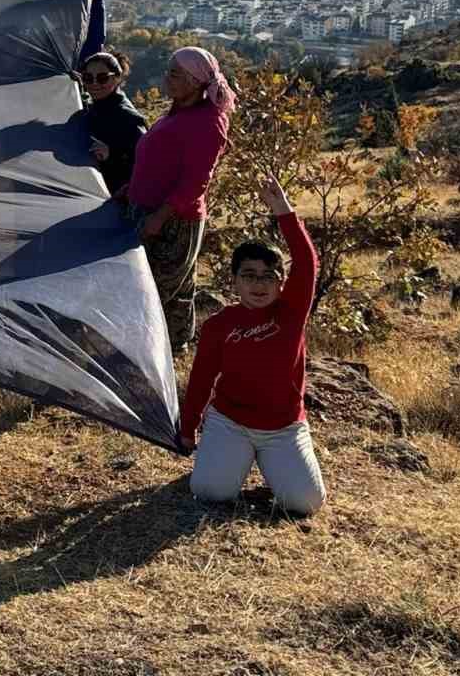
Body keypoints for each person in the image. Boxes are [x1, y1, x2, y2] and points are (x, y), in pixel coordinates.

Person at [180, 177, 325, 516]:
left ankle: (270, 463)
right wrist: (188, 430)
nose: (259, 284)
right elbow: (201, 380)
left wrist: (284, 212)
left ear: (281, 283)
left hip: (284, 429)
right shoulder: (219, 326)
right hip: (231, 422)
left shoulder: (291, 312)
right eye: (249, 275)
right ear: (234, 281)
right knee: (209, 492)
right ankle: (229, 459)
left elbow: (307, 263)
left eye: (268, 276)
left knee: (305, 503)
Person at [125, 46, 232, 351]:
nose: (167, 78)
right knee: (179, 290)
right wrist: (127, 192)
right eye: (168, 70)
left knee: (153, 289)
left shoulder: (207, 122)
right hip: (149, 210)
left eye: (175, 73)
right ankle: (175, 348)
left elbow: (196, 182)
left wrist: (159, 217)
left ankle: (145, 355)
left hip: (174, 221)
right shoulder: (179, 111)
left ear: (196, 81)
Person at [77, 50, 145, 197]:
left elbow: (147, 163)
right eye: (88, 78)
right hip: (96, 192)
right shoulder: (98, 105)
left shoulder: (128, 117)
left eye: (102, 78)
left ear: (117, 78)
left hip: (118, 201)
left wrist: (111, 155)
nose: (94, 83)